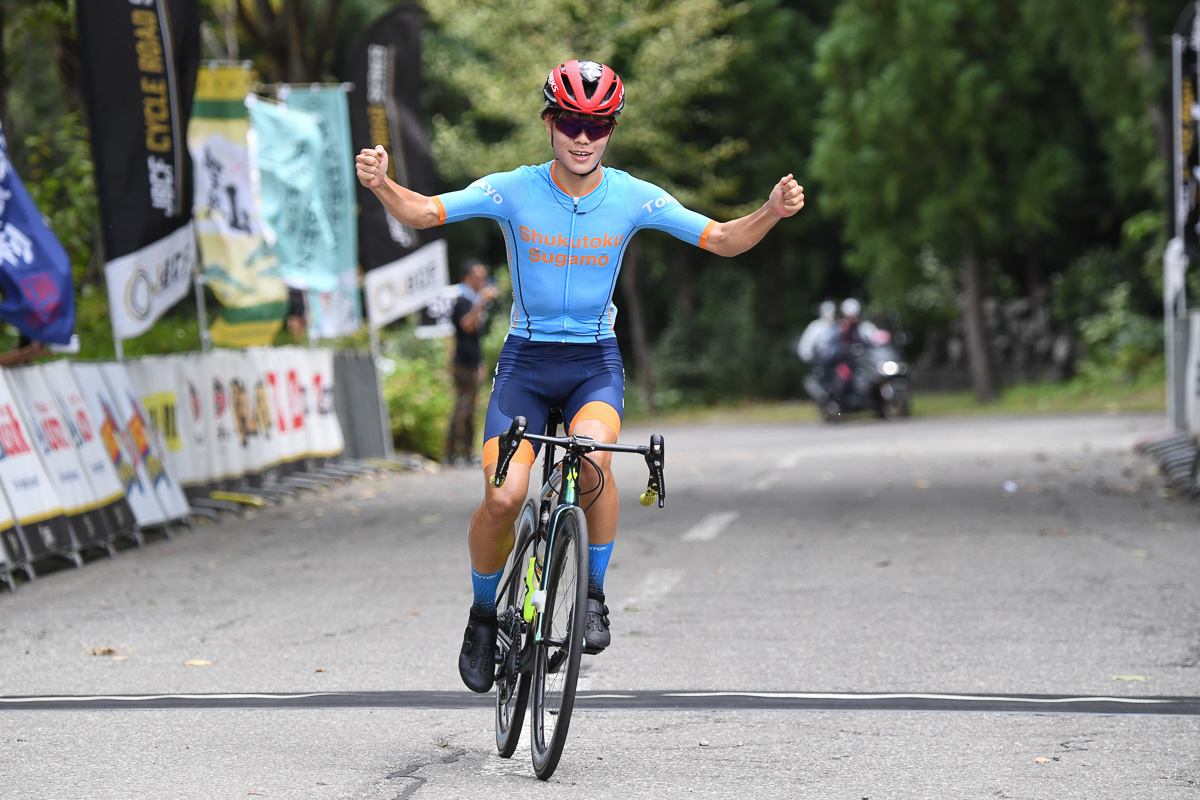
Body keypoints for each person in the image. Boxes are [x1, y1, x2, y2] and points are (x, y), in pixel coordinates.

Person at [356, 59, 805, 693]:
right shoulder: (515, 190)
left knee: (593, 460)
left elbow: (723, 240)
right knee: (504, 498)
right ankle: (484, 616)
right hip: (526, 365)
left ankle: (592, 593)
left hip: (593, 365)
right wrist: (382, 184)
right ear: (550, 123)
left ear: (611, 130)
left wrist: (770, 211)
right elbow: (426, 213)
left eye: (598, 125)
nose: (583, 137)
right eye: (571, 122)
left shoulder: (632, 196)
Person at [443, 258, 500, 467]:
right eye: (478, 276)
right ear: (467, 277)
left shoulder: (473, 299)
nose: (482, 280)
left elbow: (476, 337)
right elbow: (466, 327)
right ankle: (453, 453)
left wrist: (480, 363)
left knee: (469, 408)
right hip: (462, 362)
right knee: (462, 408)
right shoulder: (462, 300)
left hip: (472, 361)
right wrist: (481, 302)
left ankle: (463, 453)